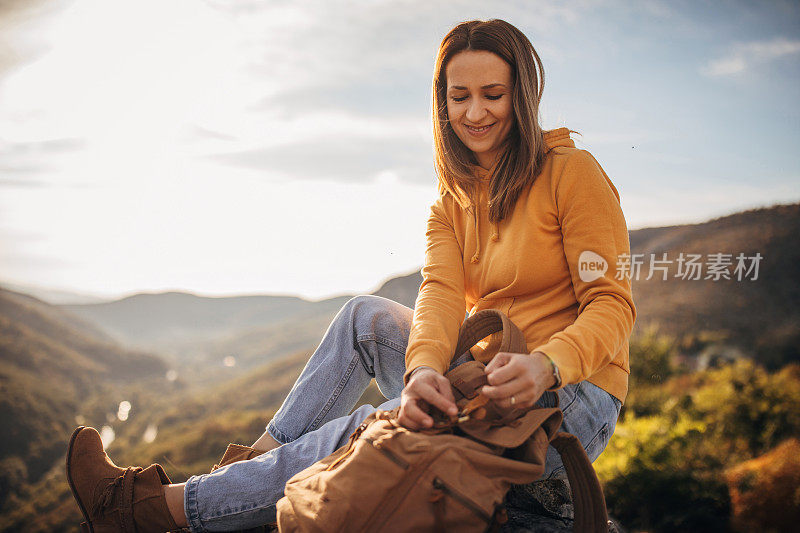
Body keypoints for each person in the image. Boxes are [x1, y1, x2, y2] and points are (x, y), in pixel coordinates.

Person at [66, 18, 636, 532]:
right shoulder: (452, 202)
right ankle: (254, 467)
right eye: (458, 96)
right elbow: (439, 293)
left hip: (570, 398)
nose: (474, 112)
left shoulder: (570, 172)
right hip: (487, 377)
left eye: (493, 94)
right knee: (366, 316)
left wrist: (546, 364)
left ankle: (146, 510)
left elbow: (612, 302)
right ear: (442, 104)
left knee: (370, 429)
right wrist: (421, 372)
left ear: (522, 96)